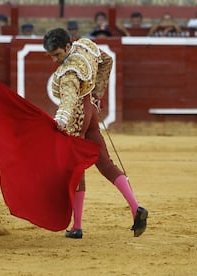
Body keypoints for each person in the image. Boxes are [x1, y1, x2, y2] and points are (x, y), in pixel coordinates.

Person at [43, 28, 148, 239]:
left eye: (58, 54)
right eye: (51, 56)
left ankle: (77, 226)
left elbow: (69, 101)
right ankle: (136, 208)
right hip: (90, 110)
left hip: (77, 117)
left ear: (67, 46)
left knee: (76, 168)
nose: (55, 60)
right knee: (105, 163)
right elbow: (107, 60)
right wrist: (98, 94)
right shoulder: (85, 46)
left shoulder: (69, 72)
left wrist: (60, 121)